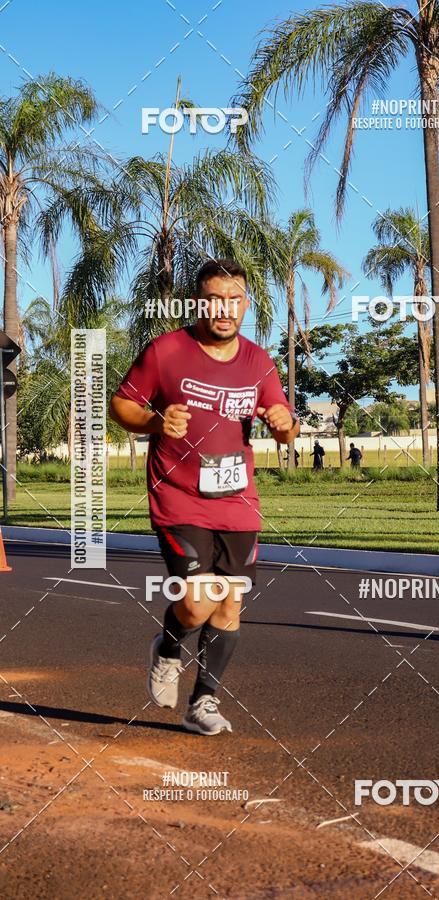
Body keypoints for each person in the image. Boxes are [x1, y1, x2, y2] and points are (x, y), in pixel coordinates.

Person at [109, 258, 299, 736]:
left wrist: (284, 425)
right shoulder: (167, 351)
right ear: (198, 302)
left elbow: (285, 423)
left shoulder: (258, 361)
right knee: (196, 602)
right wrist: (154, 421)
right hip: (179, 497)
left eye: (234, 300)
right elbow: (122, 403)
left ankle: (203, 702)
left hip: (238, 501)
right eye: (215, 299)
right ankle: (169, 647)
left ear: (246, 304)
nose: (225, 309)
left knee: (230, 602)